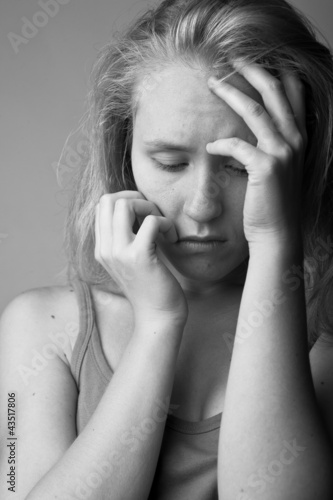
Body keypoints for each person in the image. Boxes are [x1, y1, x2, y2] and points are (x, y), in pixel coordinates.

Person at [1, 0, 333, 498]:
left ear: (296, 160)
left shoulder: (323, 330)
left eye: (241, 166)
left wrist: (272, 240)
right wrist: (157, 326)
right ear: (124, 153)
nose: (202, 207)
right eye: (171, 162)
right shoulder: (40, 327)